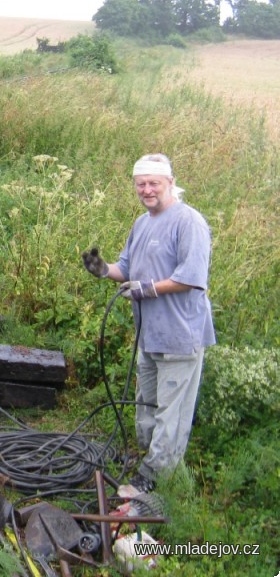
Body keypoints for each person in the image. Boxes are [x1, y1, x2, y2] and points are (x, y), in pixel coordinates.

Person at [82, 153, 215, 493]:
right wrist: (102, 269)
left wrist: (148, 289)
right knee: (146, 408)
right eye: (140, 184)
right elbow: (125, 270)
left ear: (170, 182)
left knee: (171, 413)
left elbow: (191, 277)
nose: (146, 190)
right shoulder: (142, 223)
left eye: (154, 183)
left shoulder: (189, 222)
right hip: (149, 336)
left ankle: (155, 481)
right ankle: (146, 460)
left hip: (180, 336)